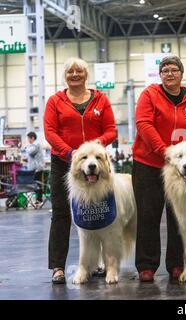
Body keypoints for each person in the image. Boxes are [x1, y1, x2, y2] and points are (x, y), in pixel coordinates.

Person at [132, 55, 186, 282]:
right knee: (148, 216)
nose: (169, 73)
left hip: (182, 171)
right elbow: (144, 124)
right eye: (165, 69)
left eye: (174, 69)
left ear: (181, 74)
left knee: (179, 217)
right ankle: (146, 265)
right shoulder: (149, 95)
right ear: (160, 75)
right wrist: (164, 151)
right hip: (149, 165)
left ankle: (177, 264)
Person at [44, 57, 117, 284]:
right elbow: (50, 132)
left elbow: (111, 130)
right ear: (65, 76)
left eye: (79, 71)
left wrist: (94, 148)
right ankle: (58, 267)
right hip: (65, 162)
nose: (75, 74)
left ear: (86, 75)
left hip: (97, 163)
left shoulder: (101, 99)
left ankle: (103, 263)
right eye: (70, 71)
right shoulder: (55, 101)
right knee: (62, 213)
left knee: (101, 214)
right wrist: (71, 153)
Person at [23, 131, 45, 204]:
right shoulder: (33, 145)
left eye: (29, 138)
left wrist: (26, 147)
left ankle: (39, 200)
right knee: (36, 184)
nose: (28, 140)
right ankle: (38, 199)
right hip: (35, 168)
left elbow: (30, 152)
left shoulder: (35, 144)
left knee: (38, 184)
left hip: (37, 168)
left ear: (32, 138)